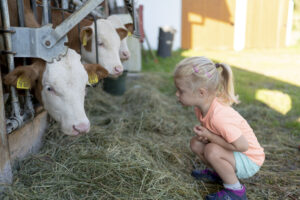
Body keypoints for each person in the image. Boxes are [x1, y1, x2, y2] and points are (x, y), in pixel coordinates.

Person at [173, 57, 265, 200]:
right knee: (196, 144)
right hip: (235, 152)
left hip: (250, 160)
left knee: (212, 150)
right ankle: (221, 173)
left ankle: (236, 191)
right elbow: (218, 136)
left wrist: (210, 137)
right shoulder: (201, 108)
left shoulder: (219, 116)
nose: (177, 94)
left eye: (181, 90)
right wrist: (206, 136)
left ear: (201, 93)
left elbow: (242, 146)